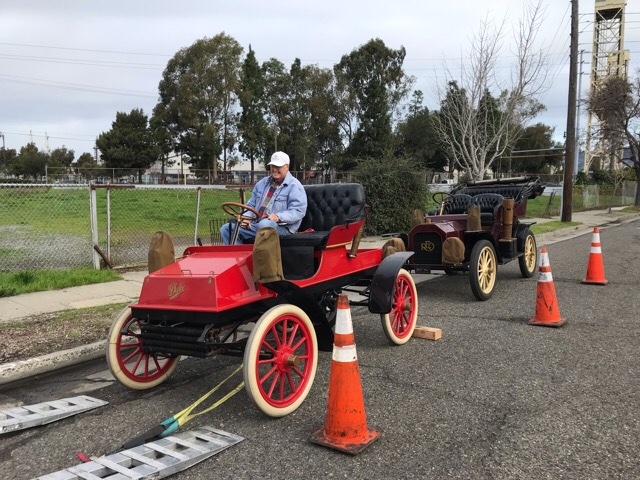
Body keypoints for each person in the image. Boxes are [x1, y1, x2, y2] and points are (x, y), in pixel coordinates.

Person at [220, 151, 307, 245]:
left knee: (264, 225)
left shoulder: (294, 186)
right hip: (258, 224)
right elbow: (251, 204)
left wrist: (278, 216)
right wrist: (247, 218)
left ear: (287, 167)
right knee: (227, 229)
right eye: (273, 166)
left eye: (278, 166)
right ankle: (240, 254)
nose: (274, 169)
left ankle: (263, 254)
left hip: (282, 228)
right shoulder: (262, 183)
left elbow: (298, 211)